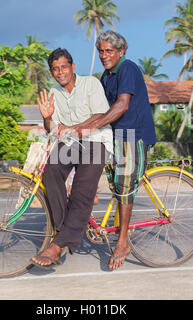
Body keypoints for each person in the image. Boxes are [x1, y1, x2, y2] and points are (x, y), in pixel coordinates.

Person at [68, 30, 157, 270]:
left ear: (121, 52)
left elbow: (122, 105)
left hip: (132, 133)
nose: (104, 55)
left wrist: (91, 127)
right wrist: (76, 127)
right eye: (101, 51)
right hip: (114, 134)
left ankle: (123, 242)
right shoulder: (106, 76)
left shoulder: (127, 68)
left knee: (125, 186)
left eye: (109, 50)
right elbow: (99, 111)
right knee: (91, 166)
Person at [31, 48, 113, 268]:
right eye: (55, 69)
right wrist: (46, 118)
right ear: (51, 72)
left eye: (64, 67)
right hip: (71, 144)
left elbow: (100, 116)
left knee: (80, 192)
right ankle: (66, 231)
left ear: (73, 67)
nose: (60, 72)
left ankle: (57, 246)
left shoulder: (90, 84)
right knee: (50, 172)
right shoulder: (54, 93)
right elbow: (54, 128)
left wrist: (75, 129)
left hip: (96, 142)